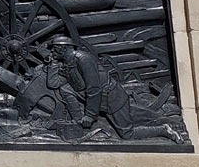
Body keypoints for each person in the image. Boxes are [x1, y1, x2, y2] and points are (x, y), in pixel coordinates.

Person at [47, 35, 183, 143]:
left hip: (112, 99)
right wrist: (52, 63)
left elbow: (94, 88)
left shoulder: (83, 59)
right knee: (65, 88)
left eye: (53, 49)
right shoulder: (67, 63)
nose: (51, 51)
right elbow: (54, 84)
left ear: (62, 48)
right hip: (101, 101)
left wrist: (90, 115)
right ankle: (77, 120)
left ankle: (164, 130)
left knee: (127, 134)